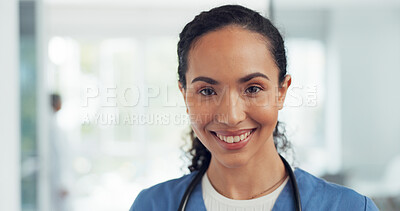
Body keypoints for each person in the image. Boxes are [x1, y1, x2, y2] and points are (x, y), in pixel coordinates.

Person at [130, 5, 379, 211]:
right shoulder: (152, 205)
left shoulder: (350, 207)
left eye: (252, 89)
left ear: (281, 91)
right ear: (185, 96)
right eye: (207, 91)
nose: (231, 116)